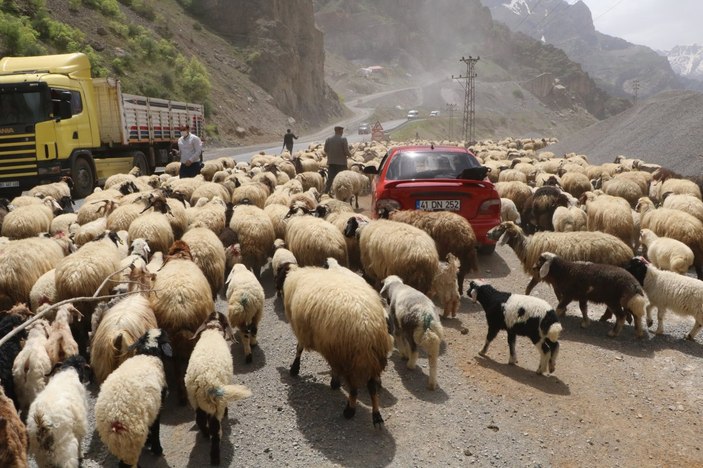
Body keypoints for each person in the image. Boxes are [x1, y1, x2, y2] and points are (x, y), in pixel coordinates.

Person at [323, 125, 351, 194]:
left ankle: (325, 192)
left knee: (330, 179)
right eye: (341, 130)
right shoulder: (343, 139)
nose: (342, 132)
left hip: (331, 163)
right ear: (338, 131)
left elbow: (325, 150)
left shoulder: (328, 139)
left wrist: (331, 155)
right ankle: (344, 193)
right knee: (343, 179)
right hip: (341, 164)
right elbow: (346, 151)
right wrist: (350, 155)